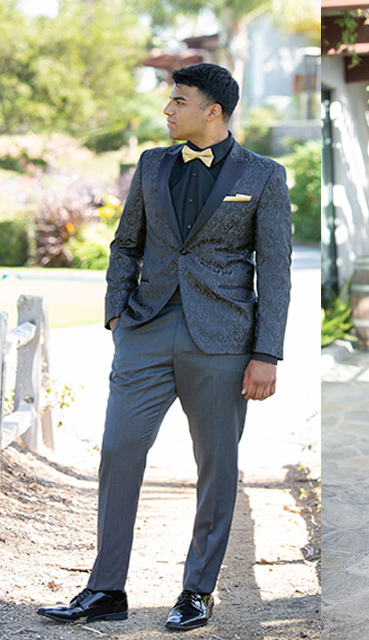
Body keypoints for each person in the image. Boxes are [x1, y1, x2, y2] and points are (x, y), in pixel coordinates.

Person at [37, 63, 292, 631]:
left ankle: (197, 592)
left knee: (217, 467)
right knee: (119, 452)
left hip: (223, 341)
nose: (167, 110)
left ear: (213, 112)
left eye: (179, 101)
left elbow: (275, 271)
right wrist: (115, 313)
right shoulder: (152, 165)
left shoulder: (265, 175)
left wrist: (267, 353)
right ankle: (105, 588)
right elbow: (125, 242)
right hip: (145, 331)